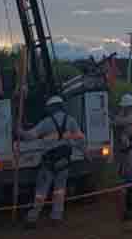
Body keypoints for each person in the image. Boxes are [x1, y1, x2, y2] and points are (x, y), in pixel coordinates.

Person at [18, 95, 85, 227]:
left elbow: (30, 136)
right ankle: (56, 216)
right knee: (60, 190)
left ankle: (32, 218)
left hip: (49, 162)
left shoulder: (46, 122)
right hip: (64, 162)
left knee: (40, 192)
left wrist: (20, 131)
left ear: (52, 108)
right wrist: (85, 152)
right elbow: (80, 139)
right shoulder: (70, 120)